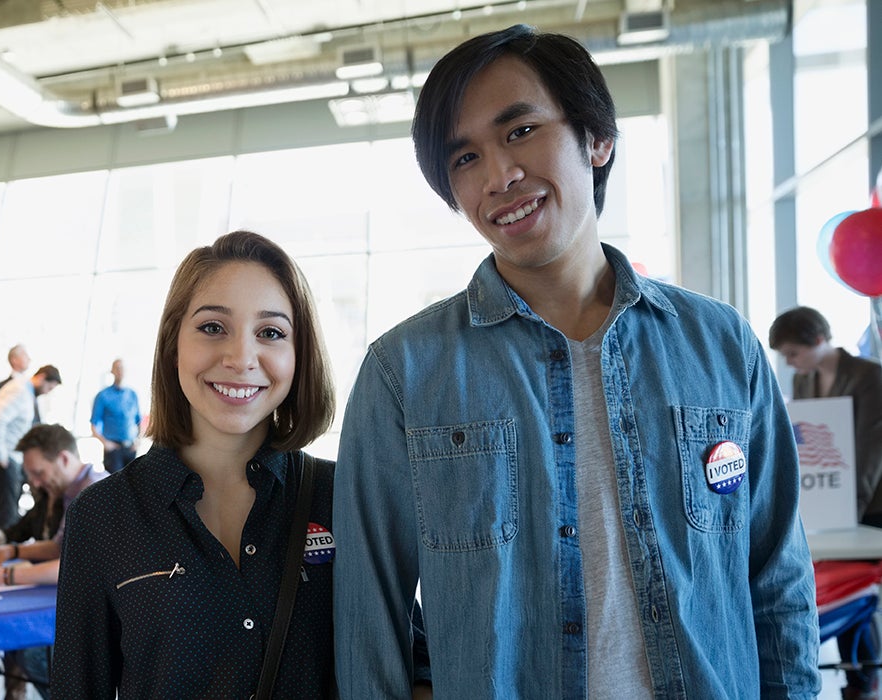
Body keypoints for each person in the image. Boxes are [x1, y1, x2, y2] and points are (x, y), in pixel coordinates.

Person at [332, 24, 819, 699]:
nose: (499, 175)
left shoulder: (721, 346)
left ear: (596, 138)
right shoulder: (404, 373)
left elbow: (777, 582)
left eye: (520, 131)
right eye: (465, 158)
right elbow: (368, 617)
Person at [51, 231, 343, 698]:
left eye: (270, 333)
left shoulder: (343, 496)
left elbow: (411, 661)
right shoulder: (103, 515)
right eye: (212, 327)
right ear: (173, 346)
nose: (241, 358)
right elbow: (77, 688)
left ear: (299, 355)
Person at [0, 423, 105, 699]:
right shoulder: (75, 490)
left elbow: (75, 568)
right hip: (80, 605)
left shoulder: (94, 494)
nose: (35, 483)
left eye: (38, 473)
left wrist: (2, 577)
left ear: (63, 458)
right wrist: (12, 552)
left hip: (98, 618)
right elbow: (60, 548)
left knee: (27, 647)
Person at [770, 305, 882, 700]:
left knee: (859, 588)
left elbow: (871, 450)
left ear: (817, 340)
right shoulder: (804, 383)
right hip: (831, 499)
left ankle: (862, 675)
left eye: (793, 353)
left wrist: (847, 510)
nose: (789, 363)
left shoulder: (870, 377)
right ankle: (859, 673)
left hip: (869, 504)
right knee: (842, 586)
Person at [0, 364, 62, 529]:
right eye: (49, 387)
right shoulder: (19, 390)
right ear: (41, 377)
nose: (47, 392)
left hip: (10, 458)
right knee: (7, 514)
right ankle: (4, 551)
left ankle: (5, 548)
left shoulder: (26, 392)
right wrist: (2, 456)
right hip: (2, 459)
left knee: (10, 511)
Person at [90, 358, 142, 473]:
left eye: (123, 368)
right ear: (112, 371)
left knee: (132, 484)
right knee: (114, 485)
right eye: (117, 368)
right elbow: (93, 425)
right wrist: (105, 443)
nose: (120, 371)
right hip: (113, 450)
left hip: (130, 448)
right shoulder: (103, 395)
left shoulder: (133, 395)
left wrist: (138, 440)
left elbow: (139, 421)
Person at [0, 344, 31, 423]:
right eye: (25, 355)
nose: (29, 359)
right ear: (14, 360)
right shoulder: (0, 387)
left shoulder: (29, 386)